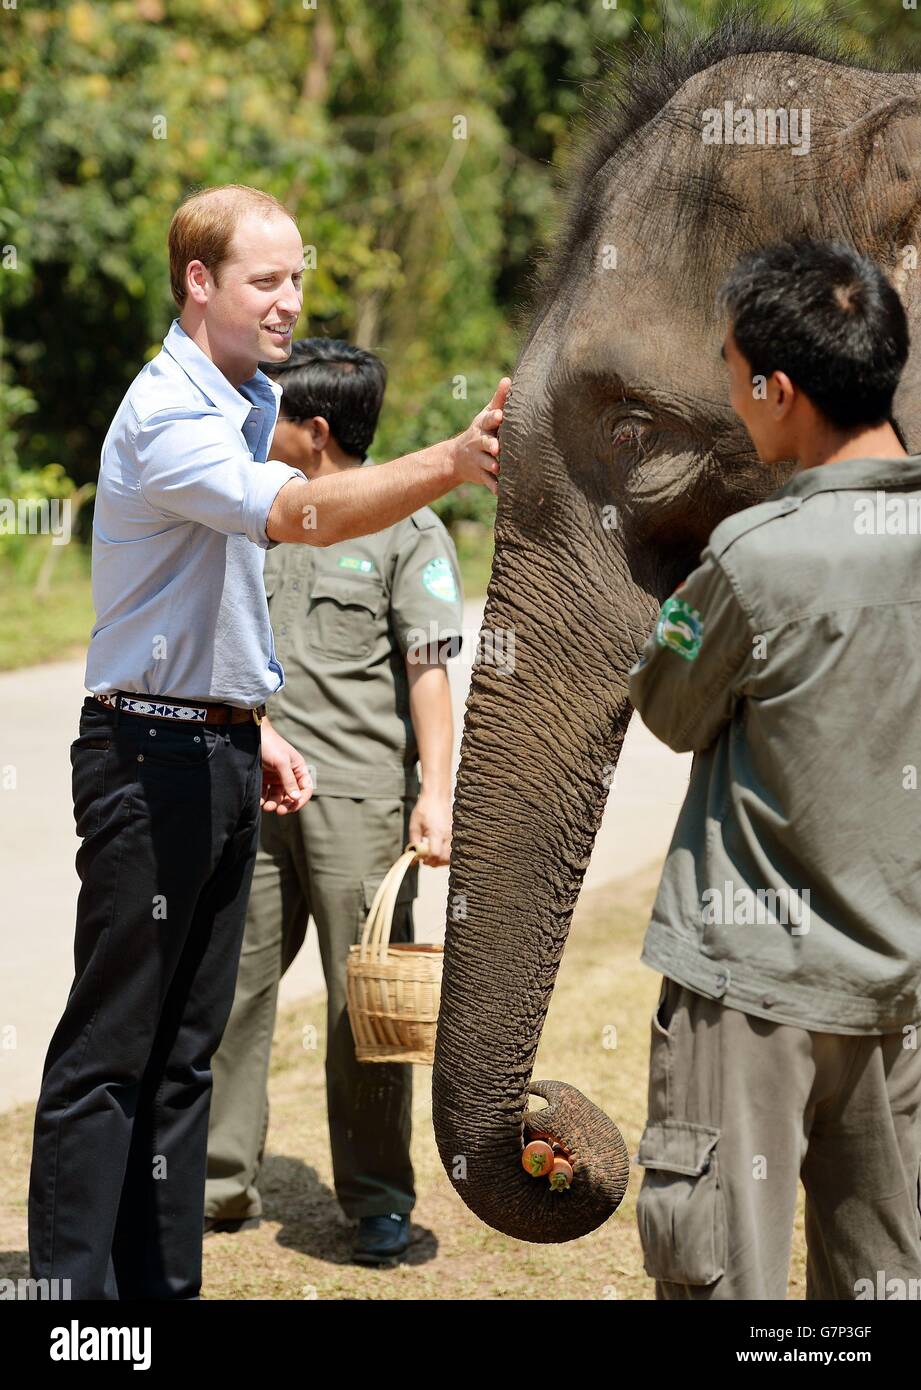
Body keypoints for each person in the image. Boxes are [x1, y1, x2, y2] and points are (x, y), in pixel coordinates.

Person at [27, 183, 508, 1301]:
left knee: (186, 1053)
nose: (292, 301)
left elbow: (216, 601)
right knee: (113, 1051)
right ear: (199, 283)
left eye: (298, 277)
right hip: (146, 759)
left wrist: (254, 719)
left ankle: (158, 1295)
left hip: (220, 751)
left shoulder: (242, 404)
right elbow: (297, 516)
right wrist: (449, 459)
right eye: (267, 280)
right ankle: (70, 1307)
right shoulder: (169, 416)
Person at [628, 239, 921, 1300]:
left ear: (780, 390)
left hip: (749, 986)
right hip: (899, 991)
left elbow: (667, 704)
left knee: (724, 1276)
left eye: (730, 367)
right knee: (886, 1279)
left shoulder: (754, 557)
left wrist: (681, 586)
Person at [204, 338, 463, 1266]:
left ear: (313, 432)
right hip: (251, 790)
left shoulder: (408, 531)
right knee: (230, 988)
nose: (254, 428)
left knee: (368, 1013)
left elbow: (429, 671)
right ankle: (218, 1179)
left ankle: (378, 1200)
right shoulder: (255, 515)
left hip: (360, 805)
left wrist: (435, 795)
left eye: (271, 415)